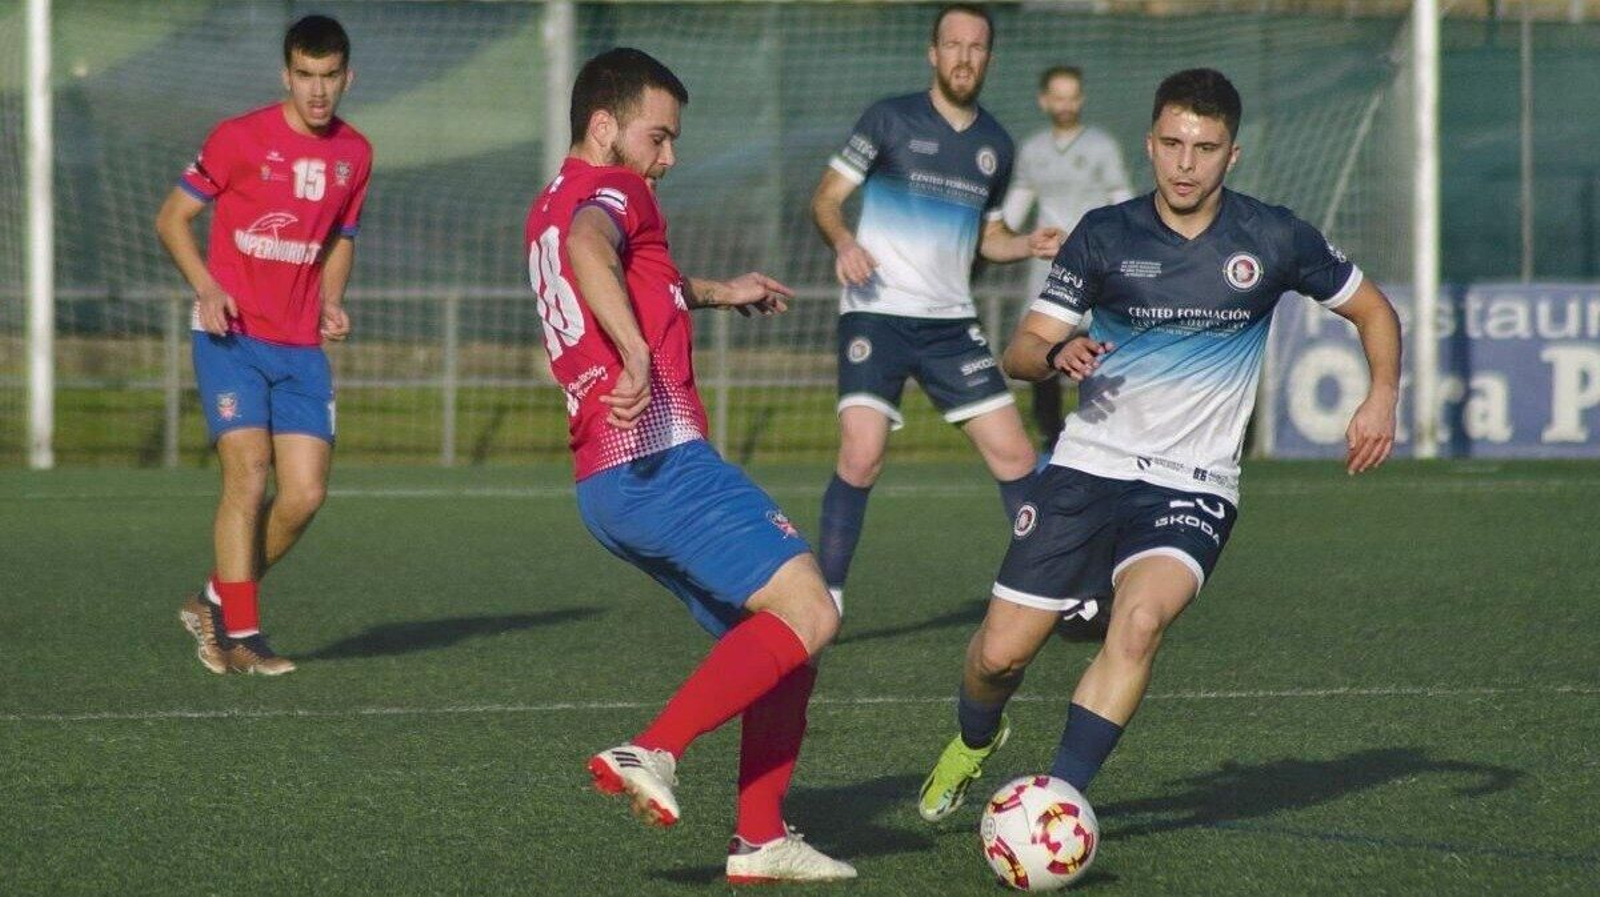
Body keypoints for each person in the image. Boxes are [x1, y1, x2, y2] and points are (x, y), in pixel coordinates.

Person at [916, 68, 1401, 822]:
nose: (1185, 163)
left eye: (1204, 149)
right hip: (1087, 467)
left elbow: (1373, 310)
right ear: (1149, 144)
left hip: (1194, 481)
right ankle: (975, 740)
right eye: (1172, 143)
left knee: (1137, 623)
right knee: (998, 657)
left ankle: (1058, 806)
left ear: (1232, 154)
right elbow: (1021, 350)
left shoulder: (1274, 236)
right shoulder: (1104, 234)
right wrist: (1057, 353)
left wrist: (1382, 395)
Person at [528, 48, 854, 883]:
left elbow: (634, 273)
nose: (667, 158)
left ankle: (760, 838)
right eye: (658, 137)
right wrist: (637, 354)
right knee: (812, 608)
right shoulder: (614, 190)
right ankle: (654, 749)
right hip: (661, 457)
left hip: (607, 483)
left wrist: (718, 291)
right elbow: (592, 248)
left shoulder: (550, 201)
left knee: (780, 642)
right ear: (605, 126)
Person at [810, 3, 1064, 612]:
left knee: (1016, 456)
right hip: (877, 313)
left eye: (976, 47)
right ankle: (824, 601)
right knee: (862, 455)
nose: (964, 57)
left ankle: (1050, 591)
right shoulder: (890, 119)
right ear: (933, 53)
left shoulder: (996, 144)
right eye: (953, 45)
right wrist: (844, 243)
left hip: (951, 324)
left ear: (989, 58)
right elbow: (825, 199)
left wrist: (1027, 244)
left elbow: (988, 238)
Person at [157, 15, 372, 676]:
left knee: (304, 495)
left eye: (328, 76)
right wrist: (207, 287)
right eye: (305, 75)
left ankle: (214, 598)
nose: (317, 90)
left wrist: (331, 299)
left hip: (300, 346)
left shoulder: (356, 154)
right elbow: (172, 219)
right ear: (286, 75)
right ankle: (241, 636)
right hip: (232, 336)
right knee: (248, 471)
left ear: (347, 77)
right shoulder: (238, 137)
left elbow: (341, 238)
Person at [1001, 65, 1133, 452]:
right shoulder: (1033, 149)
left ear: (1081, 99)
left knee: (1098, 345)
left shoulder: (1102, 146)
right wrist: (993, 239)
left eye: (1072, 96)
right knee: (1041, 344)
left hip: (1095, 264)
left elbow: (1121, 200)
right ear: (1044, 101)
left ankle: (1106, 431)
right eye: (1058, 97)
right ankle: (1050, 437)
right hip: (1046, 266)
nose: (1066, 104)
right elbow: (1014, 209)